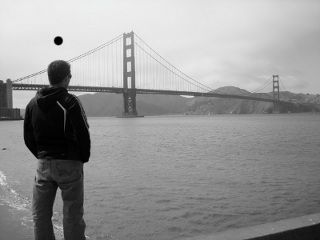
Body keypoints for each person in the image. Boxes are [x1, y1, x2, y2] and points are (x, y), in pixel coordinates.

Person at [24, 60, 91, 240]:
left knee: (40, 215)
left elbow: (28, 137)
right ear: (66, 78)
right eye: (70, 75)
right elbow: (83, 134)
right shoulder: (71, 101)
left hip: (43, 165)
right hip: (70, 164)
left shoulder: (32, 104)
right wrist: (82, 158)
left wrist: (42, 156)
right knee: (72, 214)